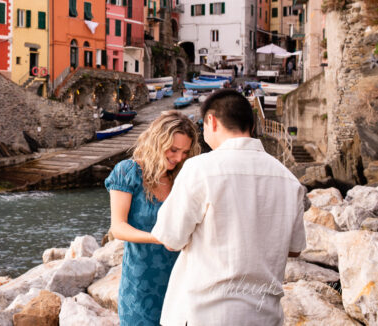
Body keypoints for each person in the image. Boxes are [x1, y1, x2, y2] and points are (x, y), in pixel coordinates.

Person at [151, 89, 306, 326]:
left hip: (206, 313)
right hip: (266, 314)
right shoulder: (289, 180)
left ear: (211, 121)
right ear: (251, 126)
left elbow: (170, 239)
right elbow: (294, 250)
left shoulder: (199, 169)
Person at [104, 111, 201, 326]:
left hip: (183, 281)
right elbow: (118, 228)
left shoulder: (184, 178)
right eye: (173, 150)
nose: (178, 158)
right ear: (157, 141)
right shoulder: (127, 172)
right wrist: (158, 238)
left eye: (185, 152)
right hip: (140, 284)